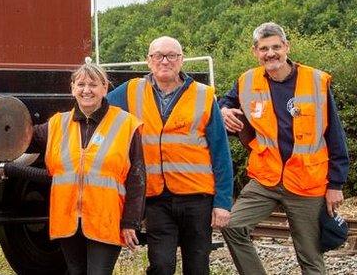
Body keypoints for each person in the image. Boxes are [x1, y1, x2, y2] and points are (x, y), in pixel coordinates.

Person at [219, 22, 350, 275]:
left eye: (276, 47)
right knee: (232, 225)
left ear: (286, 47)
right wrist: (223, 109)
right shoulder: (247, 81)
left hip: (307, 182)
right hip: (265, 179)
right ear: (255, 52)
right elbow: (226, 101)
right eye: (264, 48)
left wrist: (335, 184)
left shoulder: (316, 80)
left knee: (310, 257)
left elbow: (335, 135)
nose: (271, 54)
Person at [107, 36, 233, 275]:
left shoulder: (204, 95)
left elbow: (220, 152)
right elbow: (98, 107)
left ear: (181, 60)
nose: (165, 61)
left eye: (171, 55)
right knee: (161, 266)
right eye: (158, 56)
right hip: (156, 200)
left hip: (197, 199)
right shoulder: (131, 91)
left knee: (197, 267)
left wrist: (223, 203)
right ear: (148, 61)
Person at [30, 63, 145, 275]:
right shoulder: (56, 124)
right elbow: (19, 136)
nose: (86, 90)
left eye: (93, 84)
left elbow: (137, 178)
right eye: (80, 84)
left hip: (105, 219)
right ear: (72, 88)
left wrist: (131, 222)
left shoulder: (126, 124)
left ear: (105, 88)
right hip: (68, 220)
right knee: (75, 272)